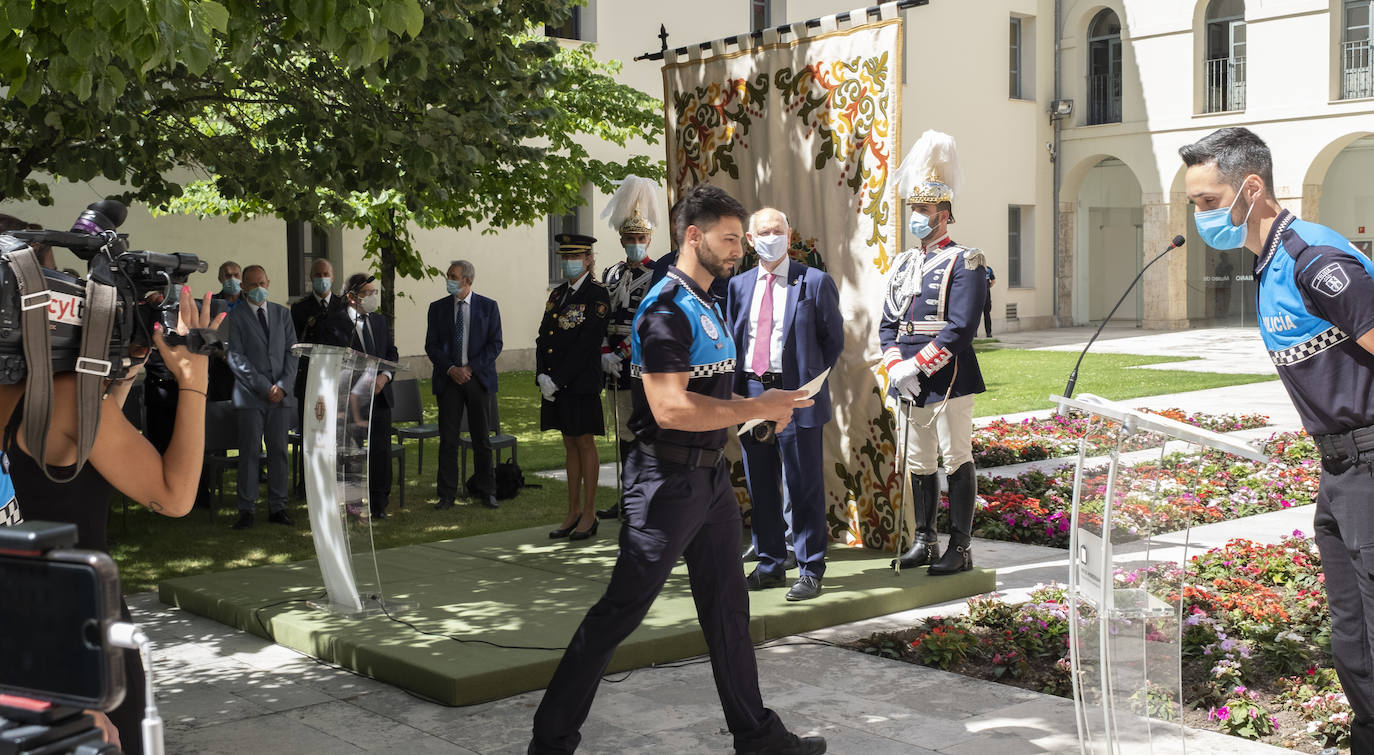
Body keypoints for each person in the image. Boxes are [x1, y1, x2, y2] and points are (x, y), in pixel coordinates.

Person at [528, 183, 824, 755]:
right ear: (694, 236)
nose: (741, 248)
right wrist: (756, 407)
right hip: (664, 483)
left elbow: (714, 386)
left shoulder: (707, 298)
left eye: (741, 238)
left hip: (708, 480)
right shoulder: (664, 308)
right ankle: (551, 740)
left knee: (728, 611)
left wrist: (765, 409)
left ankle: (758, 737)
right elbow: (669, 407)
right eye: (730, 238)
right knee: (620, 611)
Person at [1181, 126, 1374, 754]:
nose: (1199, 215)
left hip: (1368, 462)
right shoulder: (1269, 265)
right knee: (1354, 639)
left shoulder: (1313, 260)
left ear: (1251, 188)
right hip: (1339, 469)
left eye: (1208, 201)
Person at [0, 273, 222, 754]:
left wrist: (116, 382)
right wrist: (194, 380)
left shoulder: (66, 403)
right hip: (80, 639)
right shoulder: (65, 401)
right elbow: (174, 494)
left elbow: (68, 468)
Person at [881, 129, 988, 576]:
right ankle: (924, 539)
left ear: (944, 214)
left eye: (924, 211)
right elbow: (888, 322)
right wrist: (895, 367)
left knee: (954, 456)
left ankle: (959, 549)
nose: (917, 218)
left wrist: (917, 366)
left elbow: (961, 327)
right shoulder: (903, 262)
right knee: (920, 460)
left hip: (948, 375)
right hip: (907, 377)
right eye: (914, 210)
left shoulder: (967, 260)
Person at [728, 207, 844, 602]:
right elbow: (734, 340)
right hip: (754, 396)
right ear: (750, 240)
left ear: (789, 235)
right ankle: (769, 564)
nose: (771, 237)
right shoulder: (738, 286)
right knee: (760, 485)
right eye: (763, 232)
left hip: (797, 397)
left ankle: (810, 569)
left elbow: (833, 342)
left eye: (777, 231)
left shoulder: (814, 282)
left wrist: (808, 384)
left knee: (803, 485)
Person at [595, 175, 662, 520]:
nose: (635, 243)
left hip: (637, 362)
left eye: (640, 238)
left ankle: (642, 498)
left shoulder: (656, 274)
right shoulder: (611, 273)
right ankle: (625, 496)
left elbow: (646, 321)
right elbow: (603, 315)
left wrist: (621, 352)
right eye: (630, 238)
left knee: (640, 432)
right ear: (622, 239)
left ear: (648, 238)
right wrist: (605, 351)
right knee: (621, 431)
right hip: (611, 363)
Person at [536, 234, 610, 540]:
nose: (569, 263)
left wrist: (559, 378)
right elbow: (544, 337)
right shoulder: (558, 295)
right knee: (569, 442)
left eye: (575, 257)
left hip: (580, 382)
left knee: (584, 442)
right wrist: (542, 374)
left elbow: (587, 343)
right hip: (555, 382)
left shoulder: (597, 295)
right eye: (564, 258)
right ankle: (572, 510)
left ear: (589, 259)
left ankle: (589, 512)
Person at [425, 260, 503, 511]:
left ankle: (487, 490)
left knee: (482, 438)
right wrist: (451, 369)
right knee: (448, 438)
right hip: (449, 381)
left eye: (453, 276)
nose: (448, 279)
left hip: (477, 379)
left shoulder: (488, 307)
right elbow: (432, 345)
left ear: (467, 280)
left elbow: (495, 344)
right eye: (448, 275)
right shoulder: (437, 309)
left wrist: (470, 368)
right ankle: (446, 494)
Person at [224, 264, 298, 529]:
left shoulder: (282, 314)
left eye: (262, 283)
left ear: (269, 283)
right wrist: (265, 386)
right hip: (251, 396)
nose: (258, 289)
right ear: (243, 287)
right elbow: (236, 357)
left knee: (279, 451)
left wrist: (283, 386)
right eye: (252, 284)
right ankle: (247, 509)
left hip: (280, 397)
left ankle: (278, 507)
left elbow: (293, 353)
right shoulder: (236, 316)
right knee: (250, 452)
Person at [324, 273, 399, 518]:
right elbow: (335, 361)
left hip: (379, 396)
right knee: (352, 452)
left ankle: (379, 503)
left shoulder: (378, 321)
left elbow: (391, 354)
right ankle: (353, 503)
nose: (373, 297)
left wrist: (384, 377)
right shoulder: (336, 323)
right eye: (368, 293)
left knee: (380, 451)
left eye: (374, 292)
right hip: (351, 399)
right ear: (351, 297)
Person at [291, 258, 346, 438]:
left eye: (325, 274)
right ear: (310, 277)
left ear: (332, 277)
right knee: (311, 434)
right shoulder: (299, 309)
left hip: (337, 379)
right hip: (309, 379)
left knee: (336, 435)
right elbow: (296, 343)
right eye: (317, 275)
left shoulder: (344, 306)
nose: (322, 278)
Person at [208, 260, 244, 402]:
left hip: (247, 367)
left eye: (236, 275)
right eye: (228, 276)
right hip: (220, 368)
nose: (232, 279)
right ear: (220, 279)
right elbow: (205, 335)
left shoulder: (251, 303)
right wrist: (220, 353)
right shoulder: (211, 303)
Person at [982, 265, 996, 337]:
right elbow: (993, 281)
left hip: (979, 296)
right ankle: (988, 333)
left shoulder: (975, 269)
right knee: (986, 314)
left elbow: (993, 281)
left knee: (977, 315)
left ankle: (975, 334)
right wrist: (987, 287)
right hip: (984, 295)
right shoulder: (988, 269)